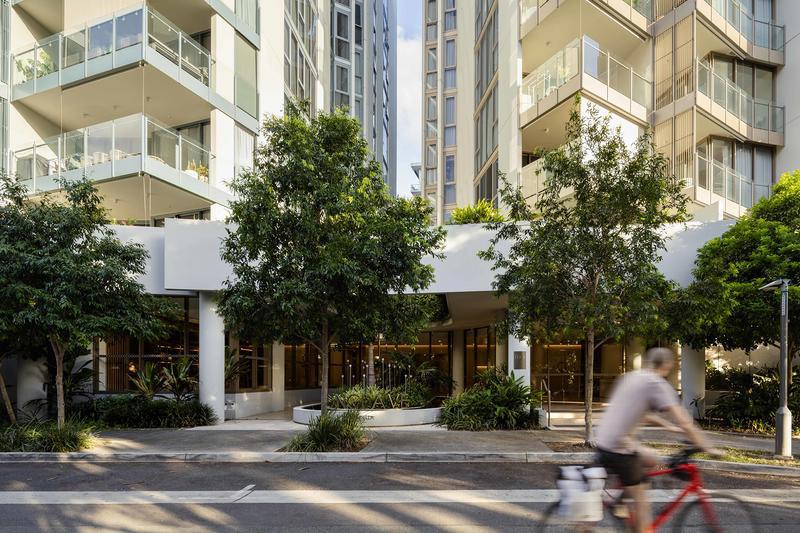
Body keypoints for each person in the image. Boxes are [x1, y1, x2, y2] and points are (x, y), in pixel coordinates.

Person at [594, 347, 723, 533]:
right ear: (668, 366)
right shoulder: (656, 384)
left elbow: (641, 414)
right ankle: (635, 514)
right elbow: (685, 422)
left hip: (604, 441)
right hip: (619, 449)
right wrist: (708, 447)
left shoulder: (631, 377)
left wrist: (667, 426)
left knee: (652, 460)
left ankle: (622, 500)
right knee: (642, 504)